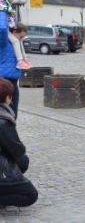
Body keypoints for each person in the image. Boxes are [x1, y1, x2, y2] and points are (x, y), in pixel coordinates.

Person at [0, 78, 38, 208]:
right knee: (30, 195)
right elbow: (18, 150)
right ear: (7, 99)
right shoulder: (3, 121)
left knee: (23, 162)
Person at [0, 0, 32, 69]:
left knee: (19, 41)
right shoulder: (3, 5)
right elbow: (3, 25)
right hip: (5, 29)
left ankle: (24, 59)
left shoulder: (6, 5)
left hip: (7, 27)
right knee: (15, 41)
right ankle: (20, 60)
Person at [0, 5, 24, 117]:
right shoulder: (4, 42)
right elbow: (3, 28)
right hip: (5, 81)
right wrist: (3, 10)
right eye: (20, 37)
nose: (21, 40)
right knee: (6, 113)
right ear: (13, 32)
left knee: (13, 113)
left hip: (13, 81)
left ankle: (10, 132)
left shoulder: (15, 44)